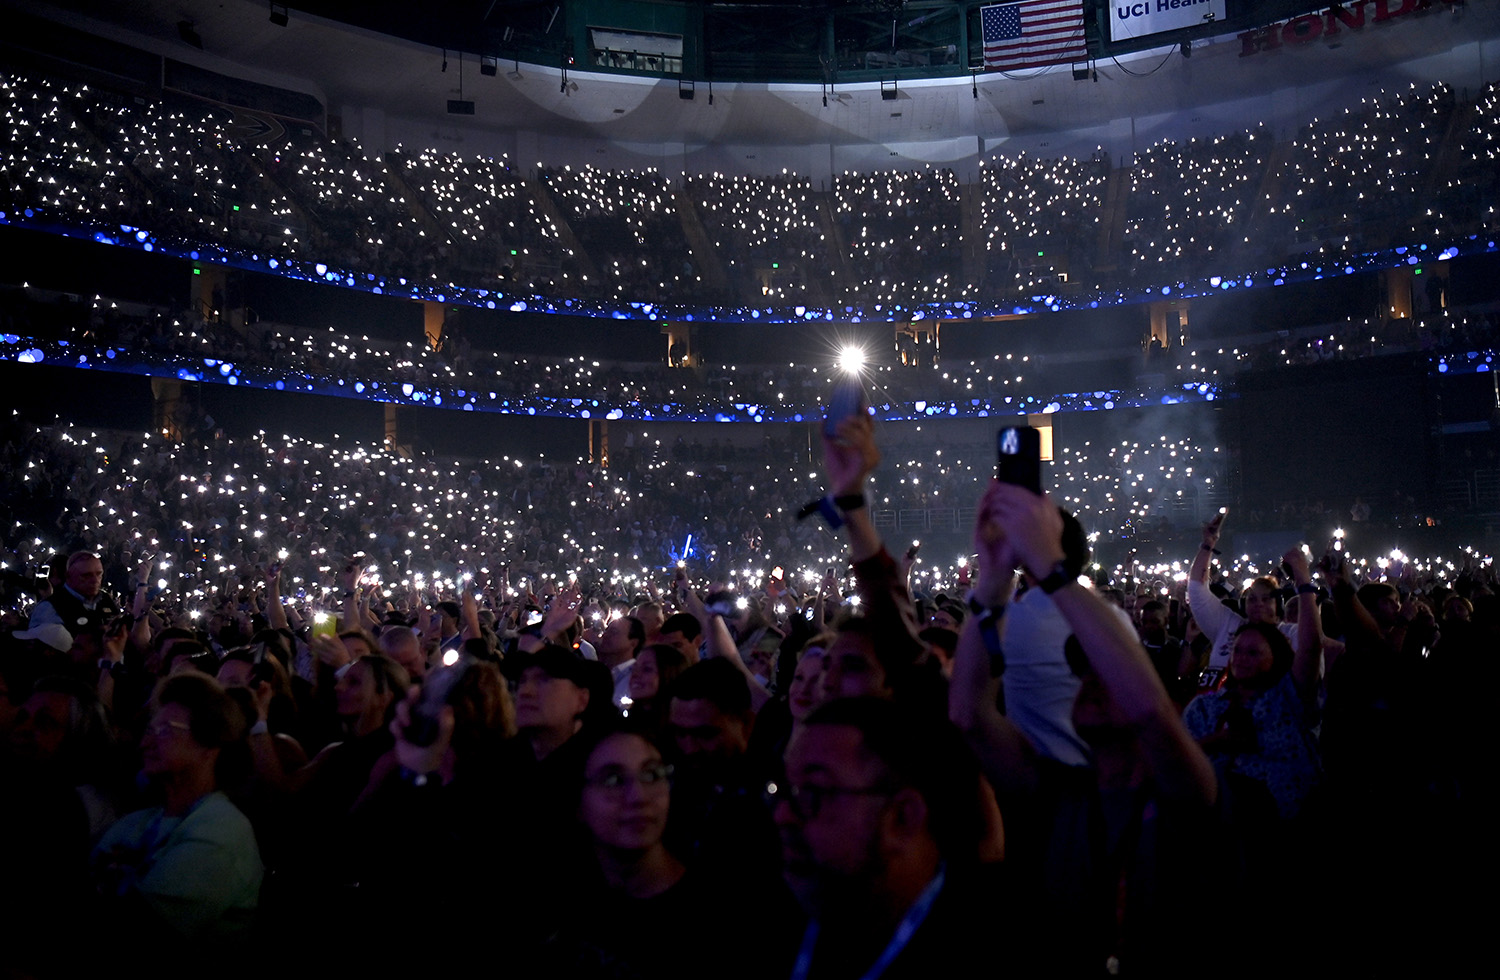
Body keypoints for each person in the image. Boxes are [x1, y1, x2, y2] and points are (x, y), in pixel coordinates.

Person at [772, 697, 1020, 978]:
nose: (783, 815)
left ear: (903, 817)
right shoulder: (769, 917)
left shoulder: (993, 949)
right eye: (786, 790)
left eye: (814, 792)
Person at [91, 673, 262, 948]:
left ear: (209, 745)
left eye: (166, 730)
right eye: (150, 730)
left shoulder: (221, 831)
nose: (146, 743)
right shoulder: (138, 821)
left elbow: (146, 935)